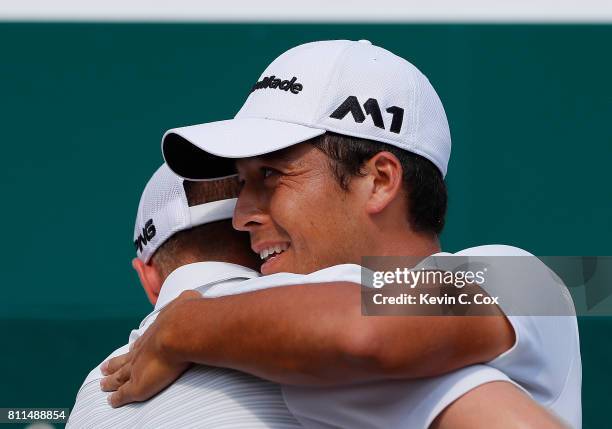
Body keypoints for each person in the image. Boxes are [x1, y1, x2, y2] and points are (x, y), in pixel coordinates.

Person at [102, 40, 580, 427]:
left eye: (270, 175)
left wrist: (181, 327)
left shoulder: (532, 279)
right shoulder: (293, 344)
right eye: (244, 183)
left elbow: (363, 328)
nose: (241, 215)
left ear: (379, 180)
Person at [67, 164, 302, 428]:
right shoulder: (334, 298)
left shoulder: (93, 391)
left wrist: (181, 328)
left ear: (148, 278)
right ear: (256, 224)